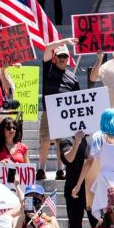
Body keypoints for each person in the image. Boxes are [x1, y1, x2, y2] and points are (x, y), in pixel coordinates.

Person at [75, 109, 114, 220]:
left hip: (104, 181)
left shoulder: (99, 136)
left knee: (105, 216)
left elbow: (90, 161)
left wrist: (78, 185)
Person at [39, 38, 79, 180]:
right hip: (49, 112)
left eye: (65, 56)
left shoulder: (72, 77)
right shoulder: (49, 68)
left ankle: (60, 170)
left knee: (61, 142)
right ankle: (41, 169)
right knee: (45, 140)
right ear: (55, 57)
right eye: (60, 56)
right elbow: (47, 47)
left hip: (65, 114)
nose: (62, 59)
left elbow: (77, 99)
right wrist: (65, 41)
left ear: (68, 59)